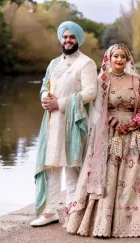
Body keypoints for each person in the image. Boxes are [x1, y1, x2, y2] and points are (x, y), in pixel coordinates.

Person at [61, 44, 140, 237]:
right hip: (108, 133)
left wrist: (133, 124)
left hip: (133, 135)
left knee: (136, 175)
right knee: (107, 174)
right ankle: (103, 222)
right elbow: (98, 107)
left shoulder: (135, 81)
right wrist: (115, 123)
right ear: (109, 58)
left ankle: (138, 221)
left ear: (127, 59)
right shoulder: (102, 81)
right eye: (115, 56)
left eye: (123, 57)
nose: (119, 60)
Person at [31, 21, 97, 227]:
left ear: (78, 39)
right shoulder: (54, 63)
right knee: (51, 166)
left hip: (73, 121)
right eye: (65, 37)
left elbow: (90, 92)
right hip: (51, 121)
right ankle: (50, 212)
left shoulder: (86, 63)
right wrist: (44, 97)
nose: (68, 40)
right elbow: (44, 85)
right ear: (61, 39)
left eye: (72, 37)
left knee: (71, 167)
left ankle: (73, 213)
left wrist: (59, 103)